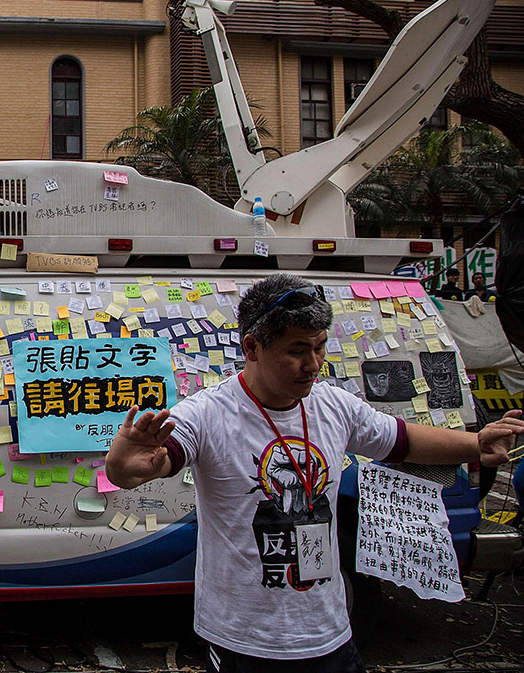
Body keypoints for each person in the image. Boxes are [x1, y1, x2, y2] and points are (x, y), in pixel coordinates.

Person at [105, 274, 523, 672]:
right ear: (252, 348)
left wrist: (475, 445)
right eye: (297, 350)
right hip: (245, 640)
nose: (313, 364)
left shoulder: (333, 405)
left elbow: (403, 440)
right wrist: (125, 460)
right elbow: (138, 469)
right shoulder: (208, 412)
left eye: (320, 347)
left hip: (330, 634)